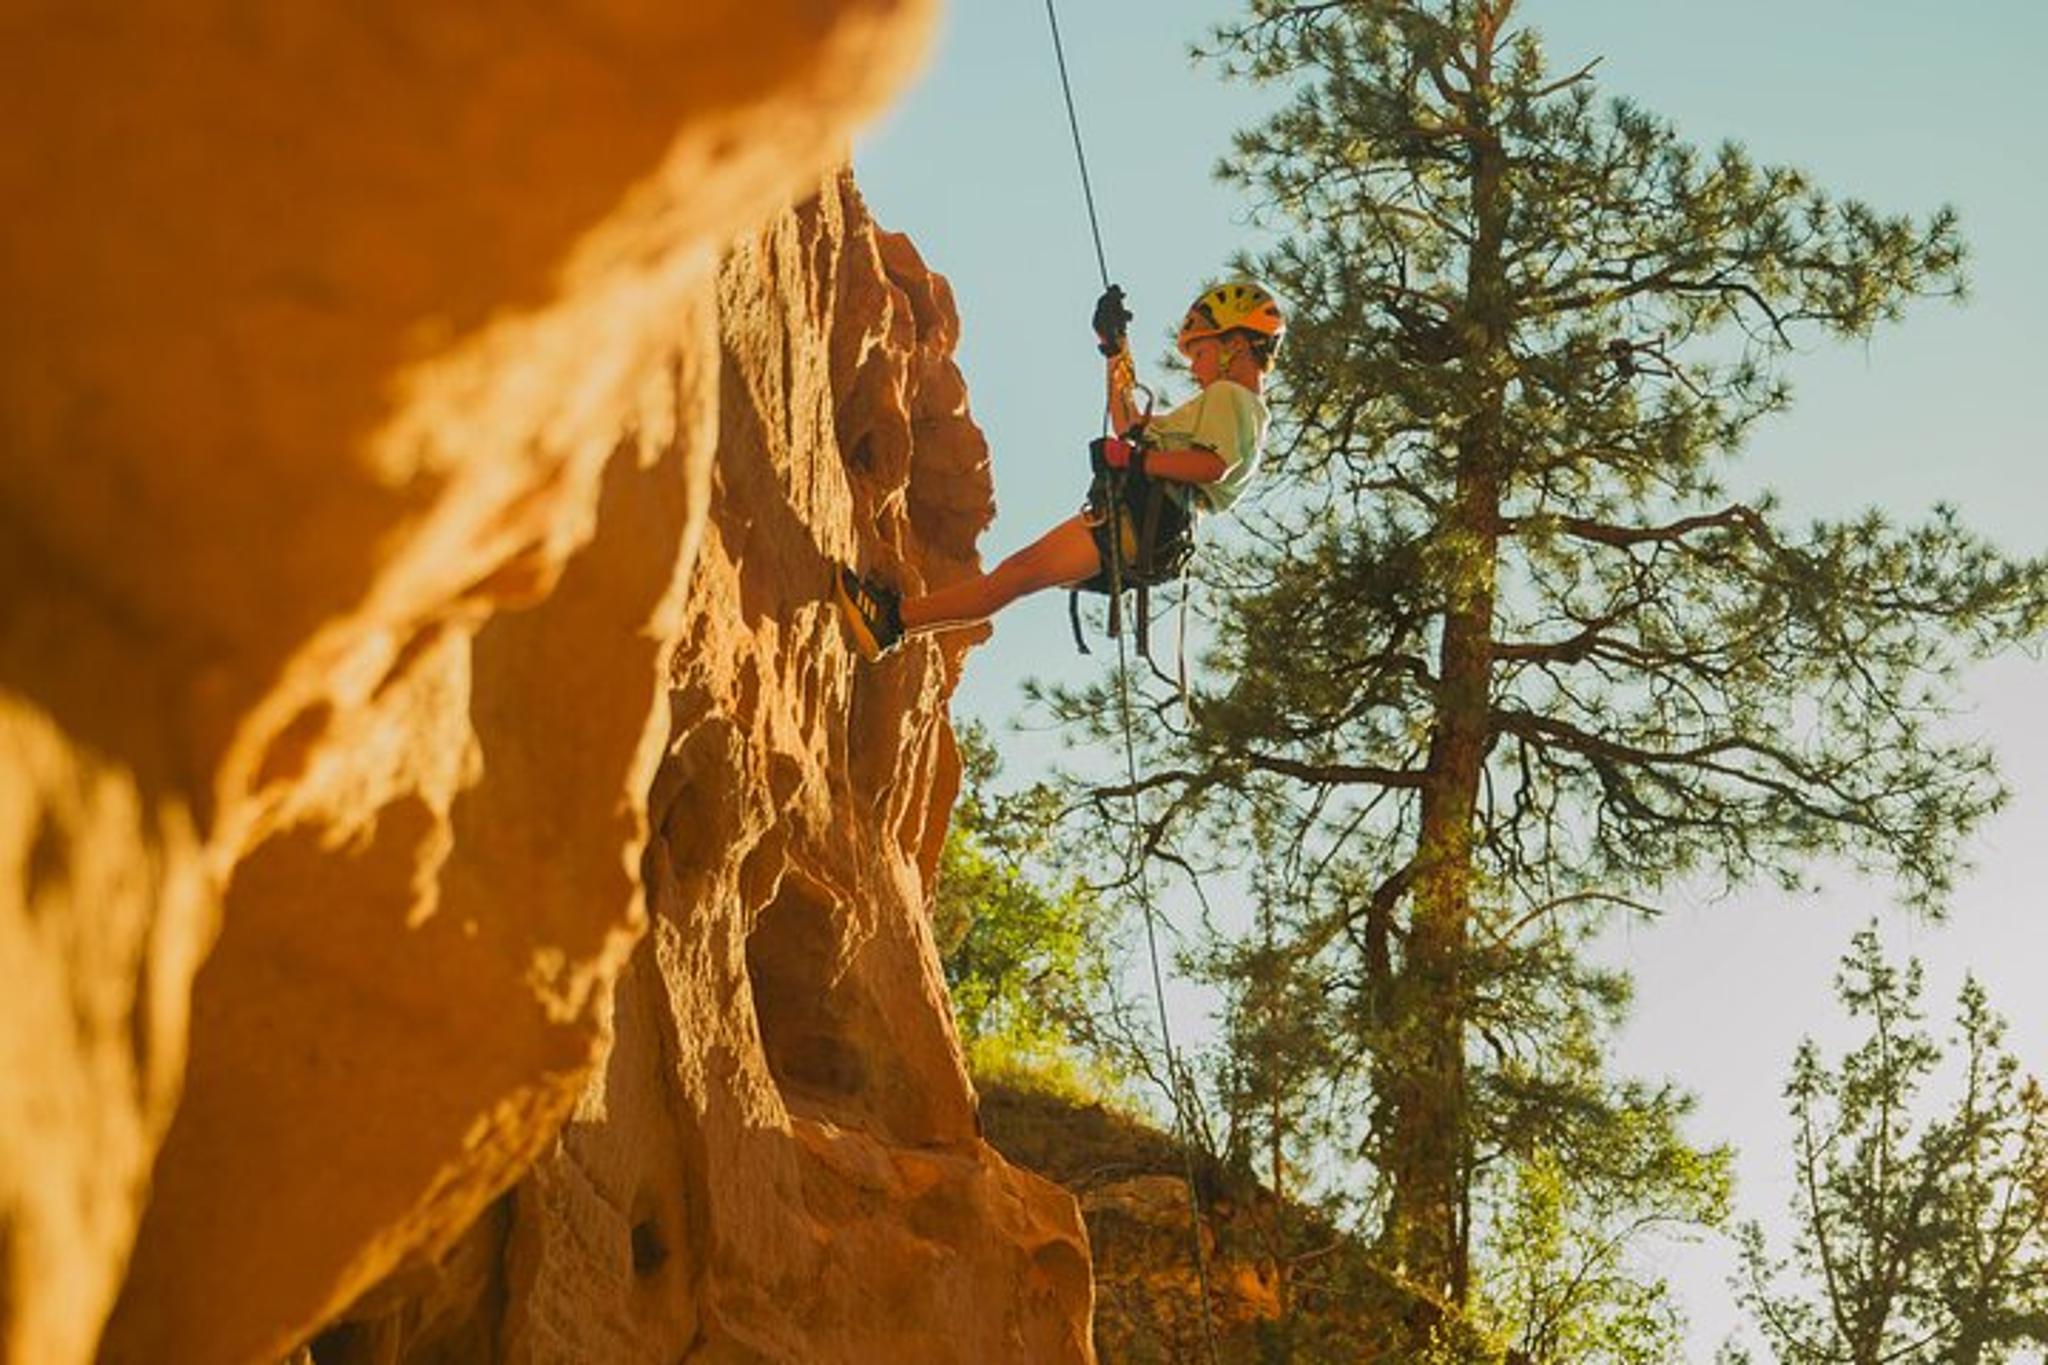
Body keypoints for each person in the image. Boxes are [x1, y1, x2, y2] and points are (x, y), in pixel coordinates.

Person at [833, 281, 1285, 660]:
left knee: (1018, 574)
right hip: (1148, 532)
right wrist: (1115, 350)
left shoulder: (1231, 398)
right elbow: (1128, 421)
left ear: (1236, 345)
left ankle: (893, 621)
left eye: (1201, 353)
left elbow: (1212, 467)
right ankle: (896, 620)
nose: (1196, 369)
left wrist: (1135, 461)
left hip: (1140, 522)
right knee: (1018, 574)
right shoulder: (1237, 408)